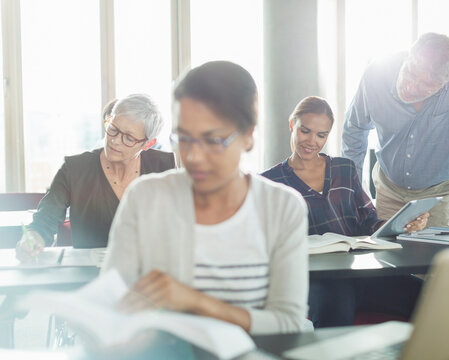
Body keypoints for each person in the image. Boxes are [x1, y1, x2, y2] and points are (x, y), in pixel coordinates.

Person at [101, 61, 309, 335]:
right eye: (183, 139)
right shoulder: (145, 198)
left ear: (248, 136)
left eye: (213, 141)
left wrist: (196, 302)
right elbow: (108, 303)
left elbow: (289, 323)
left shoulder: (282, 207)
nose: (194, 157)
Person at [262, 96, 428, 327]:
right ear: (292, 124)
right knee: (335, 315)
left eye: (322, 135)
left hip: (363, 271)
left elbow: (368, 220)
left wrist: (400, 223)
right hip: (318, 279)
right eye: (305, 131)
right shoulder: (270, 183)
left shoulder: (344, 168)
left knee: (433, 298)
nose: (312, 141)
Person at [342, 33, 449, 233]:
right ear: (408, 57)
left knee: (439, 260)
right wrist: (352, 194)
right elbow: (354, 131)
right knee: (387, 256)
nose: (411, 87)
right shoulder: (376, 73)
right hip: (390, 189)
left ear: (444, 84)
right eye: (411, 73)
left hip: (442, 194)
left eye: (426, 86)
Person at [16, 94, 176, 260]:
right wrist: (34, 238)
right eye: (113, 129)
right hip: (87, 275)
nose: (114, 141)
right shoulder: (74, 169)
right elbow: (45, 220)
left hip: (149, 274)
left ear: (148, 143)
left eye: (128, 138)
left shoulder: (163, 168)